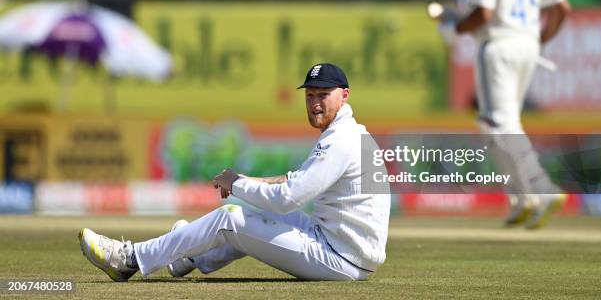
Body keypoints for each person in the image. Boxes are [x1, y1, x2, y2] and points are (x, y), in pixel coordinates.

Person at [78, 62, 390, 281]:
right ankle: (188, 256)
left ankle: (128, 259)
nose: (315, 103)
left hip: (340, 258)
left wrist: (237, 184)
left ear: (345, 95)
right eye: (310, 96)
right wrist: (247, 182)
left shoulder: (341, 139)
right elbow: (295, 180)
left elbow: (288, 198)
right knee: (248, 214)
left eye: (323, 95)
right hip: (345, 248)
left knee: (230, 218)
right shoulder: (351, 134)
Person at [439, 0, 571, 229]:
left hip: (498, 47)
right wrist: (540, 39)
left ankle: (541, 189)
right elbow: (561, 8)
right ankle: (521, 197)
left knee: (500, 125)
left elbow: (483, 14)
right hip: (527, 46)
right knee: (494, 126)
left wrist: (455, 28)